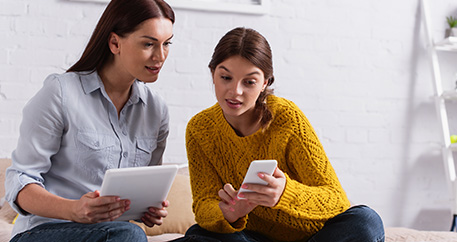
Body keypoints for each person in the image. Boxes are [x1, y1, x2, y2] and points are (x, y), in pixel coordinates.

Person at [182, 27, 385, 242]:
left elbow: (336, 200)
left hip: (312, 236)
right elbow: (204, 205)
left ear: (265, 83)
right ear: (212, 73)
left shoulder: (287, 118)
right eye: (225, 77)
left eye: (249, 82)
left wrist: (285, 193)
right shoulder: (199, 128)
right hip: (252, 237)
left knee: (366, 221)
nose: (235, 91)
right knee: (198, 235)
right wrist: (230, 213)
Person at [5, 0, 175, 241]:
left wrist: (148, 209)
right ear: (115, 43)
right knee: (130, 235)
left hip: (113, 234)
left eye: (167, 43)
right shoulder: (61, 93)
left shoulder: (156, 111)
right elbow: (19, 182)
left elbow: (145, 187)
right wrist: (74, 210)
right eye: (149, 44)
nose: (160, 56)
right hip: (43, 231)